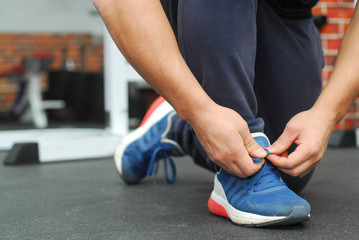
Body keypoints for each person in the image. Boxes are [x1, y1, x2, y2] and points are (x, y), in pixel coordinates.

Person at [93, 0, 359, 227]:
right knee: (251, 170)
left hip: (287, 11)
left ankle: (176, 127)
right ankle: (204, 127)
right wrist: (197, 109)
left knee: (288, 168)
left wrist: (327, 113)